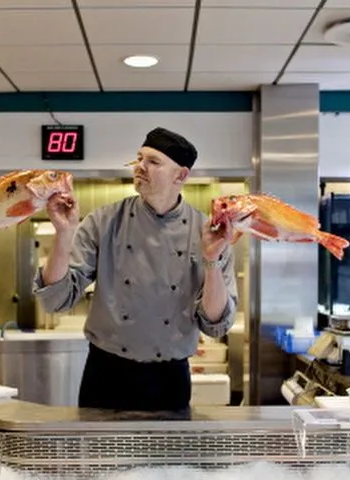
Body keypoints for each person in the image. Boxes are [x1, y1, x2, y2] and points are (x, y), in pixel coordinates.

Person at [33, 127, 238, 412]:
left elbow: (215, 324)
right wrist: (64, 234)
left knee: (165, 459)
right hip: (105, 374)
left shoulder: (208, 232)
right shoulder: (104, 222)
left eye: (153, 162)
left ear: (181, 176)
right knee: (98, 457)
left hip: (169, 380)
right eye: (140, 158)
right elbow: (55, 298)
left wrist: (212, 261)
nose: (140, 166)